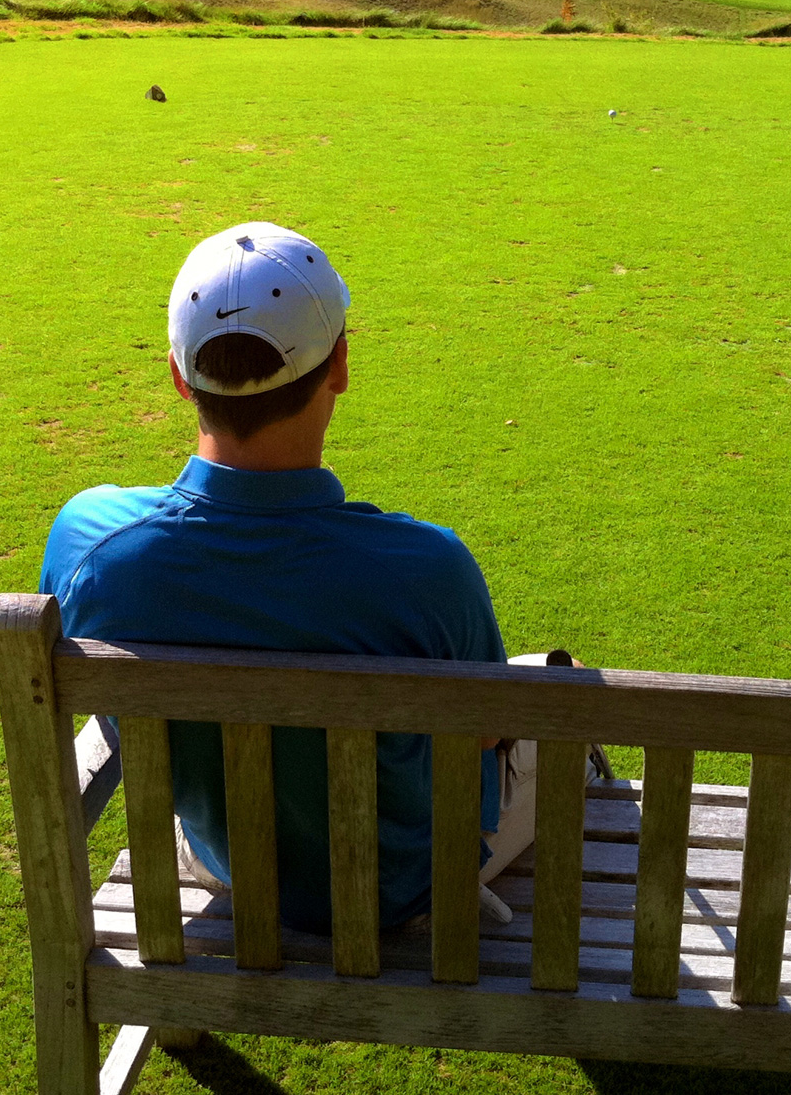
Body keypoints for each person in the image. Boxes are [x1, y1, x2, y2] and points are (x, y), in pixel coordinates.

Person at [39, 221, 580, 935]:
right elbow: (489, 734)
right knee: (556, 715)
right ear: (341, 365)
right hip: (407, 886)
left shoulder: (89, 542)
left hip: (228, 864)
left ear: (177, 375)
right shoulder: (428, 570)